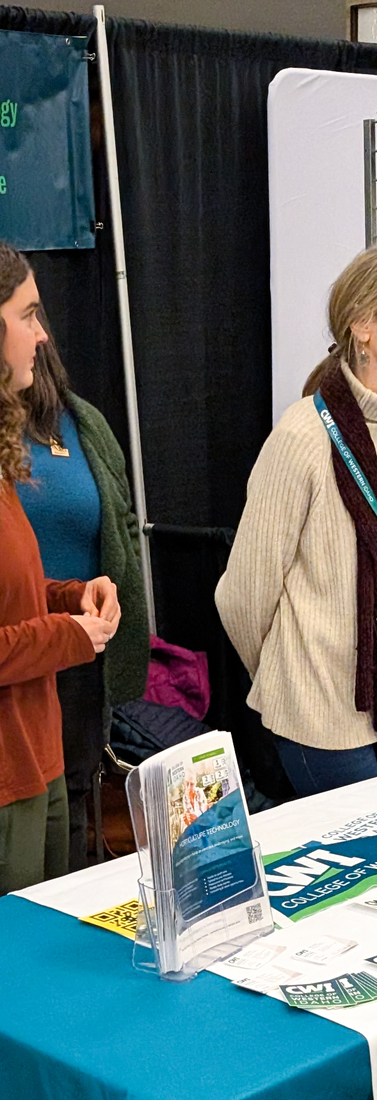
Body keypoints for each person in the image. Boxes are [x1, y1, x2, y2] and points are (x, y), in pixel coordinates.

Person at [216, 248, 377, 798]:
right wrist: (289, 675)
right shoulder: (303, 436)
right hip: (317, 706)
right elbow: (243, 594)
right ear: (362, 324)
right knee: (365, 859)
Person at [0, 240, 119, 894]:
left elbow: (12, 594)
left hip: (38, 758)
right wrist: (66, 636)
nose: (42, 336)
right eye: (27, 315)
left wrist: (70, 596)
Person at [17, 309, 149, 871]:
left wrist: (98, 600)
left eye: (37, 317)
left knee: (69, 807)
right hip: (17, 656)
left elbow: (119, 527)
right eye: (24, 318)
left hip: (78, 649)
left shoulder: (83, 422)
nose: (40, 334)